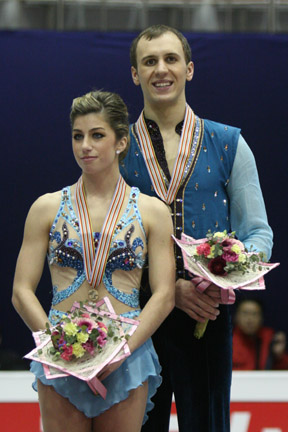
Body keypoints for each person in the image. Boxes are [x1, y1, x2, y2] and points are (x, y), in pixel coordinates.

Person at [119, 25, 273, 432]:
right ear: (135, 74)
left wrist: (219, 278)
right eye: (149, 61)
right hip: (138, 322)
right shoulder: (114, 150)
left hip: (206, 317)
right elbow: (102, 244)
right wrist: (169, 291)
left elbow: (258, 233)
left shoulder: (229, 143)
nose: (160, 69)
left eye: (170, 59)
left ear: (189, 69)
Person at [12, 90, 175, 432]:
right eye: (77, 136)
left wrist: (122, 352)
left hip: (126, 355)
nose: (85, 145)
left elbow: (164, 294)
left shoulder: (153, 212)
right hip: (59, 353)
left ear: (121, 142)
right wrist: (54, 343)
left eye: (97, 135)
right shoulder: (46, 207)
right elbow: (21, 290)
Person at [233, 298, 288, 370]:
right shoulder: (228, 340)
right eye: (245, 313)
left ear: (261, 318)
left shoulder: (270, 338)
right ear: (236, 317)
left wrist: (279, 356)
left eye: (254, 314)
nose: (249, 319)